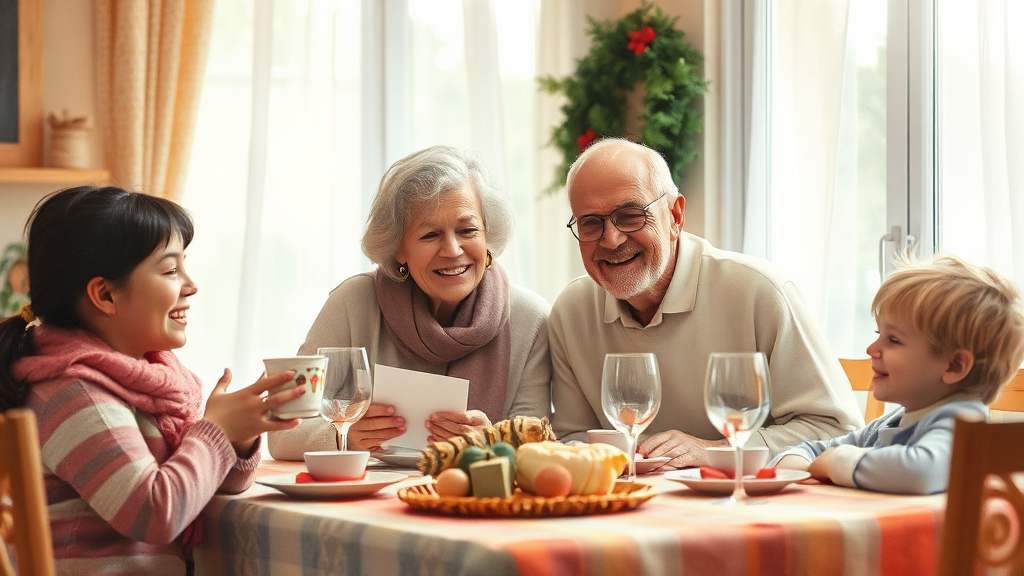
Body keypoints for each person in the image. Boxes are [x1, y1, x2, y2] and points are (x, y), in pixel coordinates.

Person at [0, 186, 304, 575]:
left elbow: (202, 486)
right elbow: (156, 512)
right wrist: (215, 431)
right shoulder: (73, 394)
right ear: (105, 294)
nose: (191, 286)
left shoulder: (146, 383)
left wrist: (236, 437)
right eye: (171, 269)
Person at [549, 138, 863, 467]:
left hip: (750, 508)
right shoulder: (571, 311)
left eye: (631, 216)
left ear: (675, 216)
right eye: (590, 223)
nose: (611, 239)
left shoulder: (760, 291)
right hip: (628, 510)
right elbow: (573, 439)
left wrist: (717, 452)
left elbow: (835, 430)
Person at [267, 146, 551, 460]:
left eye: (468, 230)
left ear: (488, 235)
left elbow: (537, 444)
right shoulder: (353, 303)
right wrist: (343, 434)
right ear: (398, 249)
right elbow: (280, 431)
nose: (453, 249)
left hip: (477, 501)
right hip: (365, 502)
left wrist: (493, 441)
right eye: (430, 235)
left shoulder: (530, 318)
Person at [774, 254, 1024, 494]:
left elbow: (922, 472)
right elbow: (815, 450)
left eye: (893, 339)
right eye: (878, 335)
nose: (871, 350)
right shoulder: (890, 423)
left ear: (954, 366)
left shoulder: (963, 423)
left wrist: (836, 462)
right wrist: (799, 460)